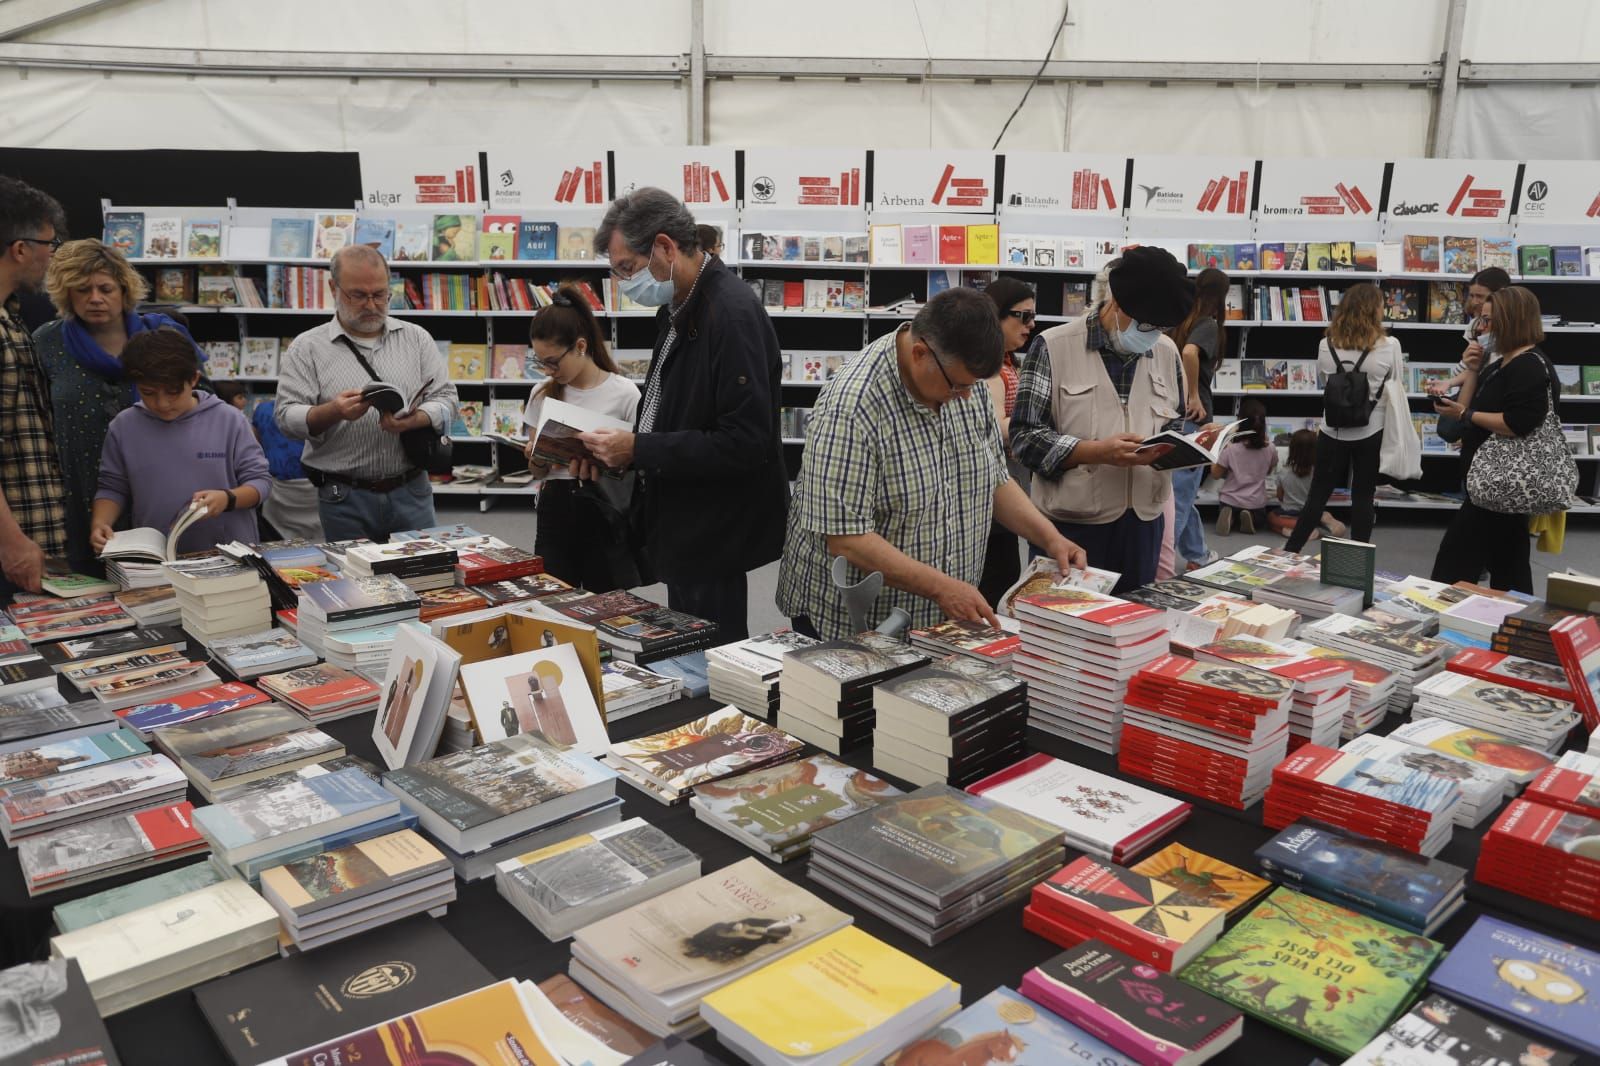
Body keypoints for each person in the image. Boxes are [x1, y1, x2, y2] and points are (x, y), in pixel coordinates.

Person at [776, 287, 1086, 641]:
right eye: (957, 386)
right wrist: (941, 588)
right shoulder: (853, 406)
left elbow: (994, 480)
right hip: (858, 624)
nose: (967, 397)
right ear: (920, 353)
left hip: (938, 617)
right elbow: (847, 539)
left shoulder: (962, 381)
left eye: (972, 386)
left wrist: (1050, 538)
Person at [576, 187, 787, 642]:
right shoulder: (682, 306)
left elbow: (745, 440)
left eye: (627, 269)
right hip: (683, 516)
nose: (625, 283)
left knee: (713, 652)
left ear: (666, 248)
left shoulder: (729, 316)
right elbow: (677, 405)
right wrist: (620, 449)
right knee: (687, 643)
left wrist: (639, 447)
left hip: (712, 527)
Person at [1010, 247, 1196, 593]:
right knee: (1063, 631)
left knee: (1131, 627)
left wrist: (1188, 447)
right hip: (1072, 528)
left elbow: (1175, 422)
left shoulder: (1167, 353)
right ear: (1119, 304)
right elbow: (1025, 439)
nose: (1154, 333)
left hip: (1144, 524)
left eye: (1162, 326)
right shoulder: (1053, 347)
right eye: (1148, 324)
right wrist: (1094, 452)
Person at [34, 240, 214, 573]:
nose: (95, 298)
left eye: (105, 288)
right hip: (82, 490)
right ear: (66, 294)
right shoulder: (47, 342)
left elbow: (204, 404)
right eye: (82, 289)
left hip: (162, 481)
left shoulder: (164, 335)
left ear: (124, 289)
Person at [275, 244, 458, 542]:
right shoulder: (306, 348)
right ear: (334, 287)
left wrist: (416, 419)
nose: (372, 305)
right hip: (343, 495)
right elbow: (285, 417)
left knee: (424, 579)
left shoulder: (417, 339)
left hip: (411, 489)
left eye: (380, 294)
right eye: (358, 295)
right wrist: (333, 411)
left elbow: (448, 399)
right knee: (354, 584)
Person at [90, 329, 271, 555]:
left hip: (230, 554)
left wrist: (227, 498)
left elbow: (261, 483)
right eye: (148, 392)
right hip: (156, 558)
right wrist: (100, 524)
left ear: (194, 379)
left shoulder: (229, 420)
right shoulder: (124, 427)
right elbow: (112, 487)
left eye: (173, 392)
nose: (163, 403)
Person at [1430, 287, 1559, 592]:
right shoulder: (1503, 364)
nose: (1482, 329)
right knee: (1509, 567)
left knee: (1453, 568)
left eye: (1488, 321)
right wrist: (1473, 370)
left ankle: (1438, 620)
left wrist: (1465, 414)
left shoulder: (1528, 366)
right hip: (1495, 484)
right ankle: (1518, 627)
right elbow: (1464, 413)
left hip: (1499, 483)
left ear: (1509, 320)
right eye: (1481, 321)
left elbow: (1517, 424)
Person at [520, 287, 640, 592]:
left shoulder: (625, 393)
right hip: (556, 507)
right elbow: (537, 473)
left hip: (605, 507)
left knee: (608, 602)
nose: (548, 370)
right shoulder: (541, 393)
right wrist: (537, 456)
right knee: (554, 598)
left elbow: (637, 463)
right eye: (540, 362)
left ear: (581, 346)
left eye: (553, 362)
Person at [1283, 282, 1402, 554]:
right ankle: (1358, 562)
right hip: (1371, 429)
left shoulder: (1326, 344)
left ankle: (1290, 553)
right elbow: (1395, 383)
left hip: (1332, 429)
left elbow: (1325, 380)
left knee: (1317, 495)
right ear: (1375, 310)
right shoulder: (1390, 345)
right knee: (1363, 497)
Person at [0, 176, 67, 598]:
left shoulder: (13, 318)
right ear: (20, 248)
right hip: (11, 548)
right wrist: (11, 542)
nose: (52, 256)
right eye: (50, 244)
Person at [976, 276, 1035, 608]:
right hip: (995, 492)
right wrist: (1038, 423)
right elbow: (995, 426)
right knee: (998, 578)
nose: (1030, 325)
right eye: (1022, 316)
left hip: (1006, 487)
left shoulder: (1007, 362)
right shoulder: (992, 368)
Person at [1169, 267, 1228, 567]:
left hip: (1171, 417)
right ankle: (1159, 562)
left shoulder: (1179, 321)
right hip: (1194, 418)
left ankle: (1197, 555)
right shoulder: (1207, 324)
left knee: (1182, 491)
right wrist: (1193, 394)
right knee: (1180, 496)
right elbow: (1190, 354)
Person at [1427, 266, 1512, 401]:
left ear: (1500, 296)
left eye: (1480, 296)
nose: (1474, 302)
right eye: (1471, 295)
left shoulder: (1514, 334)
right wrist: (1450, 382)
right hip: (1473, 394)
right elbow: (1469, 368)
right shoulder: (1475, 325)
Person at [251, 396, 324, 542]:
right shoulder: (326, 409)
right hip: (319, 485)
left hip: (280, 491)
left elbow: (255, 449)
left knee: (279, 547)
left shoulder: (264, 410)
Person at [1212, 398, 1277, 534]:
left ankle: (1231, 518)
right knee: (1259, 518)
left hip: (1230, 500)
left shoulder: (1230, 449)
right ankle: (1250, 517)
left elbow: (1215, 474)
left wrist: (1215, 450)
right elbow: (1269, 470)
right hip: (1255, 502)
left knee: (1228, 506)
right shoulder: (1270, 448)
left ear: (1240, 422)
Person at [1269, 428, 1348, 538]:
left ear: (1292, 449)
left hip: (1291, 514)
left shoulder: (1284, 472)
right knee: (1319, 514)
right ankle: (1323, 521)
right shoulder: (1319, 472)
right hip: (1312, 511)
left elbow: (1280, 496)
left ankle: (1297, 530)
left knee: (1271, 518)